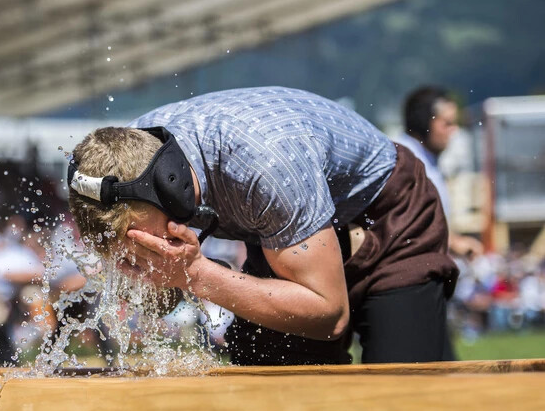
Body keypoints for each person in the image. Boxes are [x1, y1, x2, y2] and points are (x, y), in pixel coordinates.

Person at [67, 86, 459, 365]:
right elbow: (162, 296)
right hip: (284, 229)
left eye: (143, 243)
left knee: (401, 393)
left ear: (173, 190)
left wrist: (195, 274)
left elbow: (328, 313)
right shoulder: (124, 158)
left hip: (387, 220)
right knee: (268, 379)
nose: (142, 255)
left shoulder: (262, 167)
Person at [397, 86, 484, 257]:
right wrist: (453, 242)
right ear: (424, 123)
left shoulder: (424, 161)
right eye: (448, 123)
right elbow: (404, 226)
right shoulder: (404, 162)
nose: (454, 131)